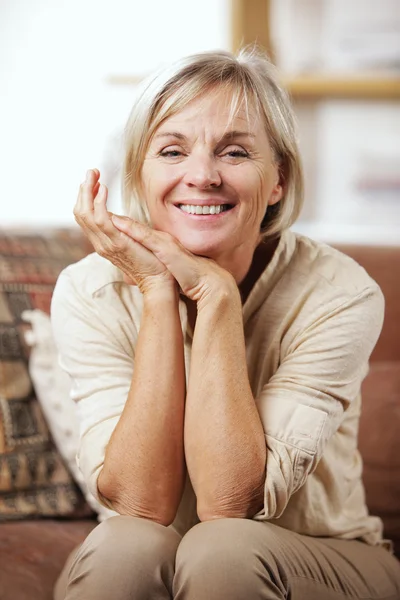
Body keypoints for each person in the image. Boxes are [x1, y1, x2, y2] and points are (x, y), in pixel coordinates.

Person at [51, 48, 400, 600]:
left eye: (234, 152)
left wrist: (214, 296)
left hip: (322, 559)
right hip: (160, 553)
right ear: (140, 177)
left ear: (278, 179)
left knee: (222, 548)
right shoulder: (89, 290)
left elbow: (227, 504)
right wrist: (158, 290)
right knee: (124, 546)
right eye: (172, 151)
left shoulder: (339, 292)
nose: (203, 176)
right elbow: (141, 505)